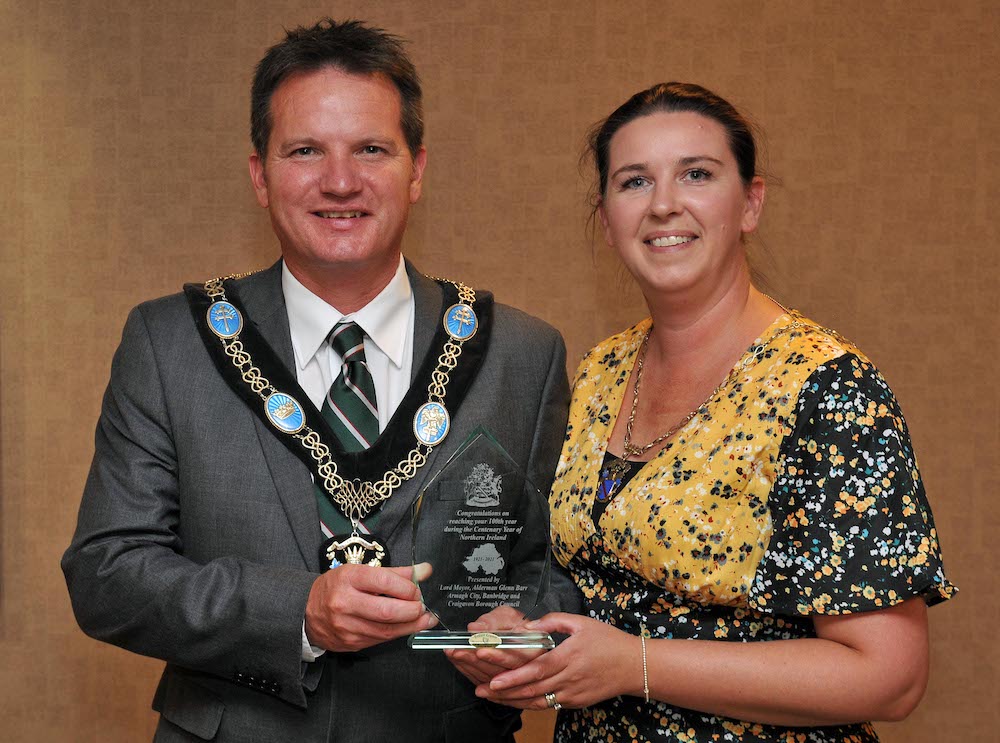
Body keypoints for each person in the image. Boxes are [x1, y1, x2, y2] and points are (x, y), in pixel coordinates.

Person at [62, 19, 578, 743]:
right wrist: (296, 610)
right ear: (260, 176)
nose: (341, 181)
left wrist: (520, 631)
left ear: (417, 169)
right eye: (306, 150)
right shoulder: (171, 341)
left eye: (371, 149)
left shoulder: (522, 353)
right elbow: (107, 574)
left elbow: (556, 570)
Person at [475, 82, 955, 742]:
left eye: (696, 174)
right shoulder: (601, 371)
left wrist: (635, 665)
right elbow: (599, 578)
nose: (664, 204)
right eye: (634, 181)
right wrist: (525, 631)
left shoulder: (826, 389)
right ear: (607, 218)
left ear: (750, 203)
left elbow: (890, 676)